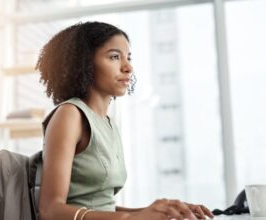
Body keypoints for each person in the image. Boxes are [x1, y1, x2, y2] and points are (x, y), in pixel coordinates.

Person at [36, 21, 214, 220]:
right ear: (84, 62)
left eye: (128, 58)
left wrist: (162, 210)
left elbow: (103, 207)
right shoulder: (70, 114)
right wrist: (131, 219)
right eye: (114, 57)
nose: (128, 67)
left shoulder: (108, 124)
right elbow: (50, 210)